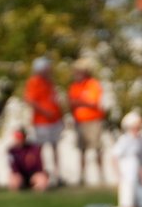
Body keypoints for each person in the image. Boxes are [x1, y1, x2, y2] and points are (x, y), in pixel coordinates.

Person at [24, 57, 66, 186]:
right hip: (42, 121)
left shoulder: (49, 82)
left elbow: (55, 101)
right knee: (40, 148)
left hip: (54, 121)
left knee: (55, 147)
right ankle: (40, 174)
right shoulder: (34, 82)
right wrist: (45, 112)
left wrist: (60, 116)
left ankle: (57, 174)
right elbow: (29, 100)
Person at [68, 58, 107, 186]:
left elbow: (93, 102)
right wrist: (82, 102)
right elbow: (71, 103)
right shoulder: (74, 87)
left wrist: (80, 102)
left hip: (94, 121)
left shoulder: (93, 84)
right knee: (82, 150)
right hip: (80, 121)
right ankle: (82, 177)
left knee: (97, 148)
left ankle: (101, 176)